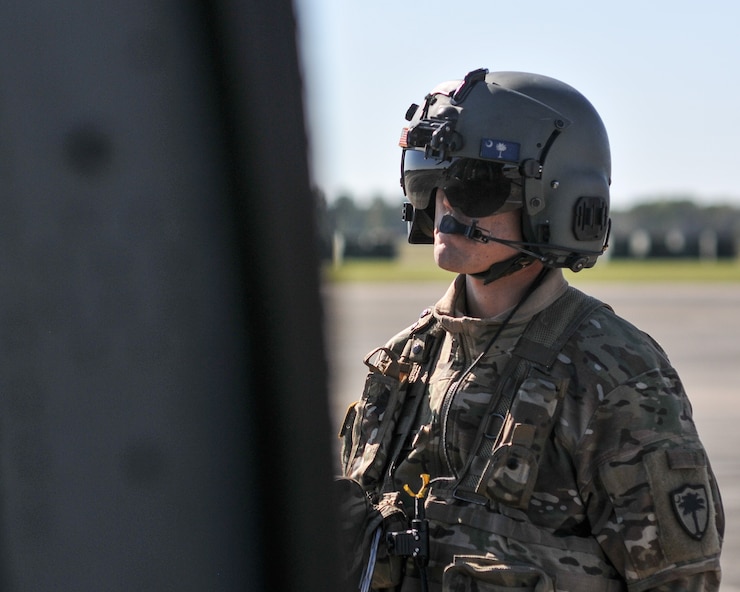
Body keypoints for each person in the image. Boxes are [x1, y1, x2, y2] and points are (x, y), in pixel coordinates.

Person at [336, 68, 724, 592]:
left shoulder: (615, 374)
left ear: (555, 202)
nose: (446, 203)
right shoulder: (401, 363)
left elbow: (680, 580)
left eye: (476, 185)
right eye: (431, 177)